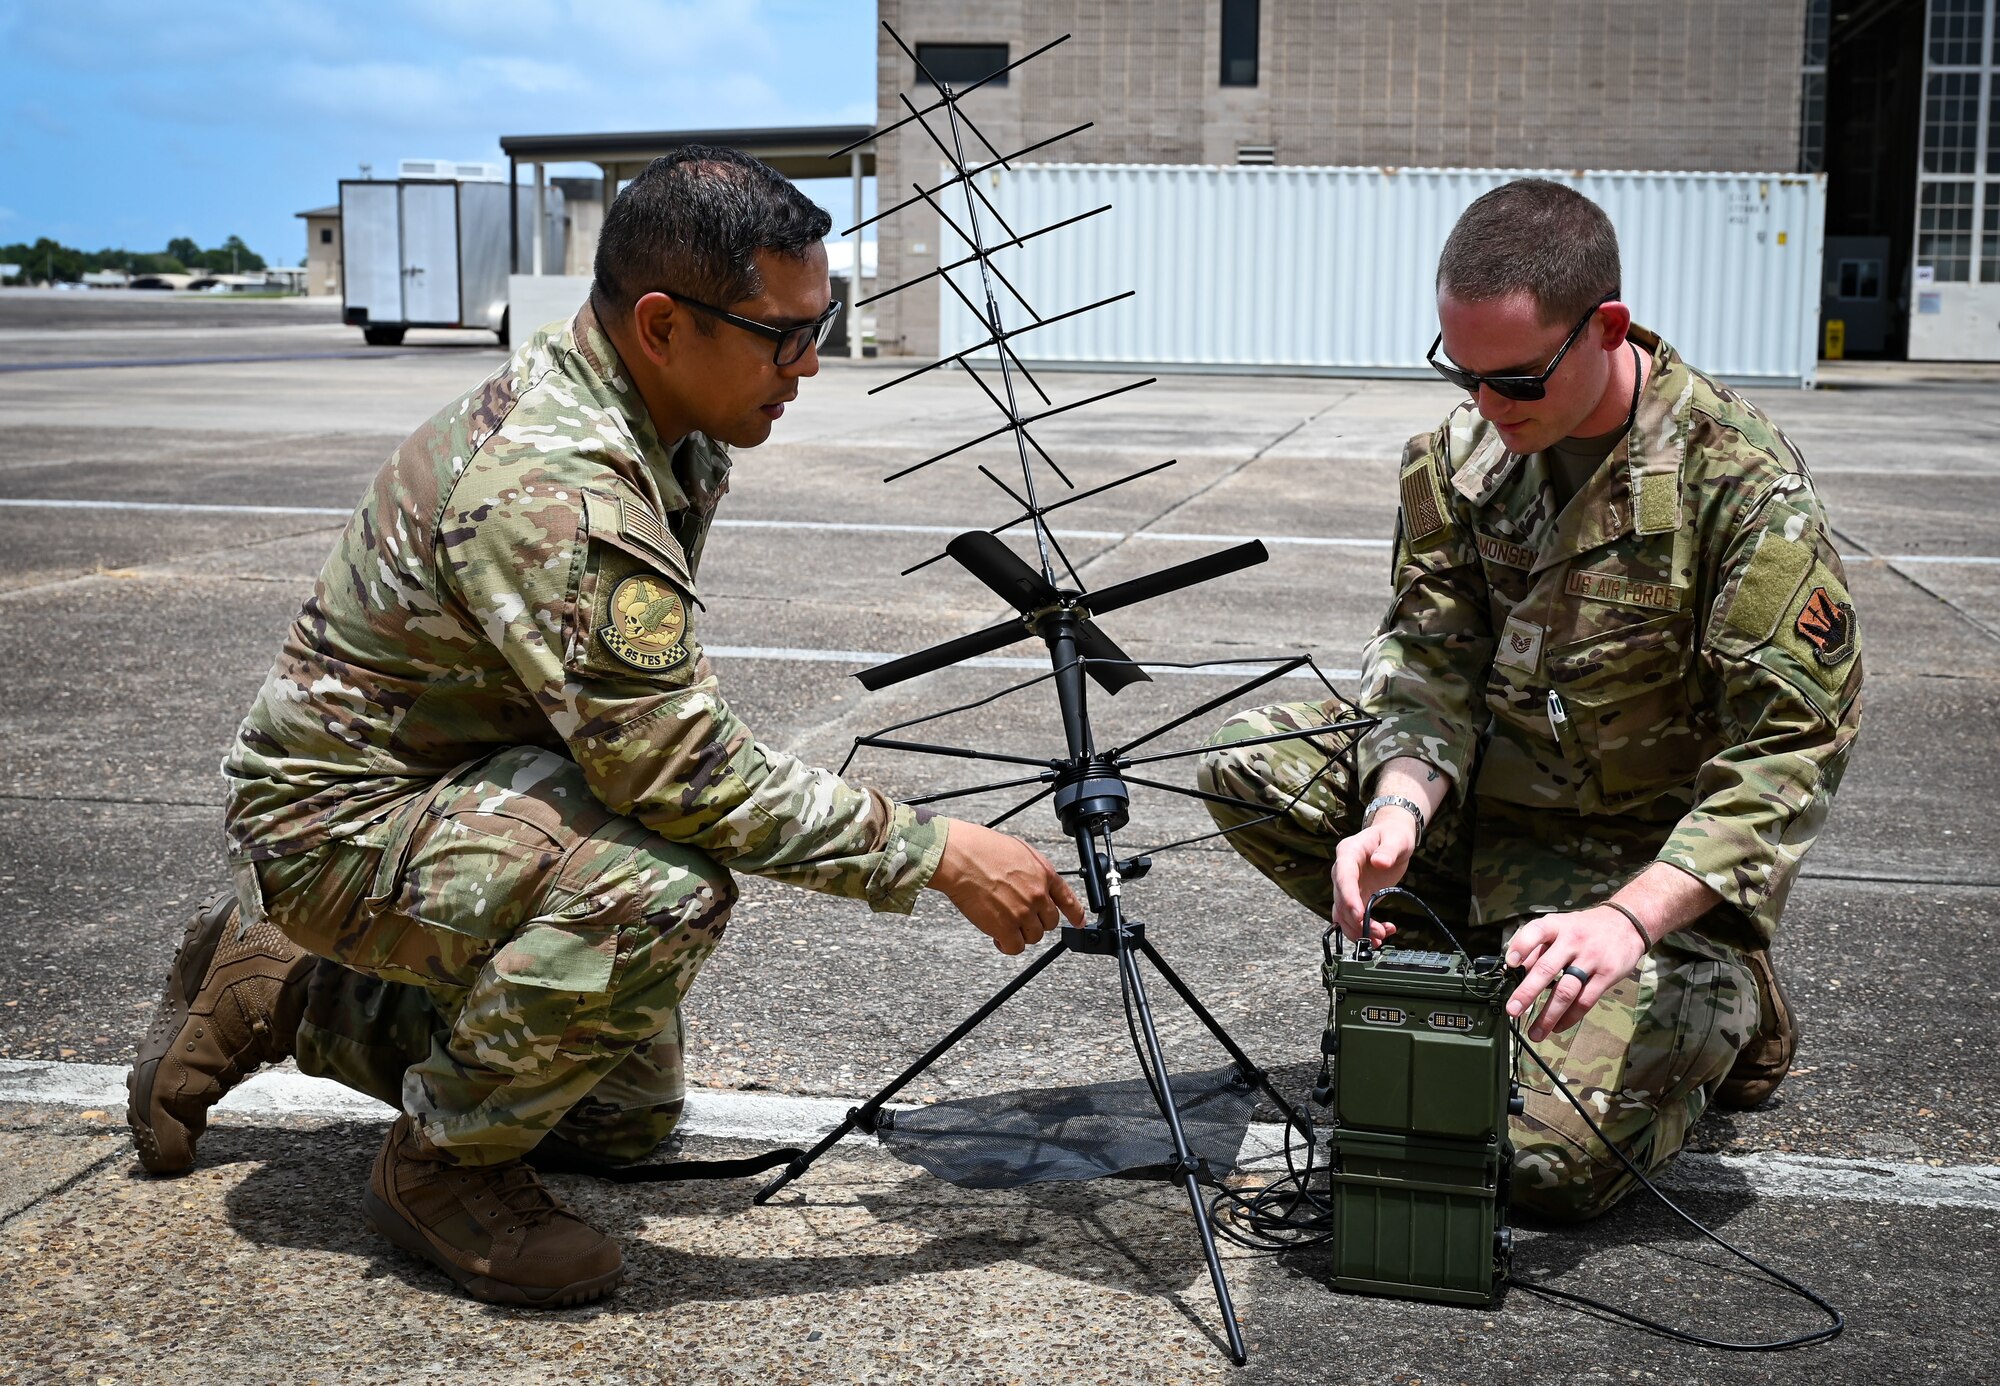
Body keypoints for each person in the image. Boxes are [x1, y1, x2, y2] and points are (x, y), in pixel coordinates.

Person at [127, 146, 1082, 1306]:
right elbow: (674, 766)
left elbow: (631, 727)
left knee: (619, 1123)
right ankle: (439, 1174)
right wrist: (935, 852)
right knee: (658, 890)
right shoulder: (556, 485)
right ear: (663, 323)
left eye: (818, 322)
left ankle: (293, 991)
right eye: (780, 332)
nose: (809, 363)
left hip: (461, 777)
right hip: (338, 825)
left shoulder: (667, 425)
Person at [1199, 178, 1862, 1220]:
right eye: (1460, 375)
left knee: (1535, 1174)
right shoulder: (1457, 461)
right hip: (1497, 822)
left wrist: (1630, 917)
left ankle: (1718, 997)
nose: (1484, 407)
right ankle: (1489, 965)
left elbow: (1788, 750)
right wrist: (1395, 813)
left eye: (1510, 380)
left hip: (1638, 869)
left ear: (1602, 326)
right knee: (1250, 767)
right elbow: (1428, 662)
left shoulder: (1735, 487)